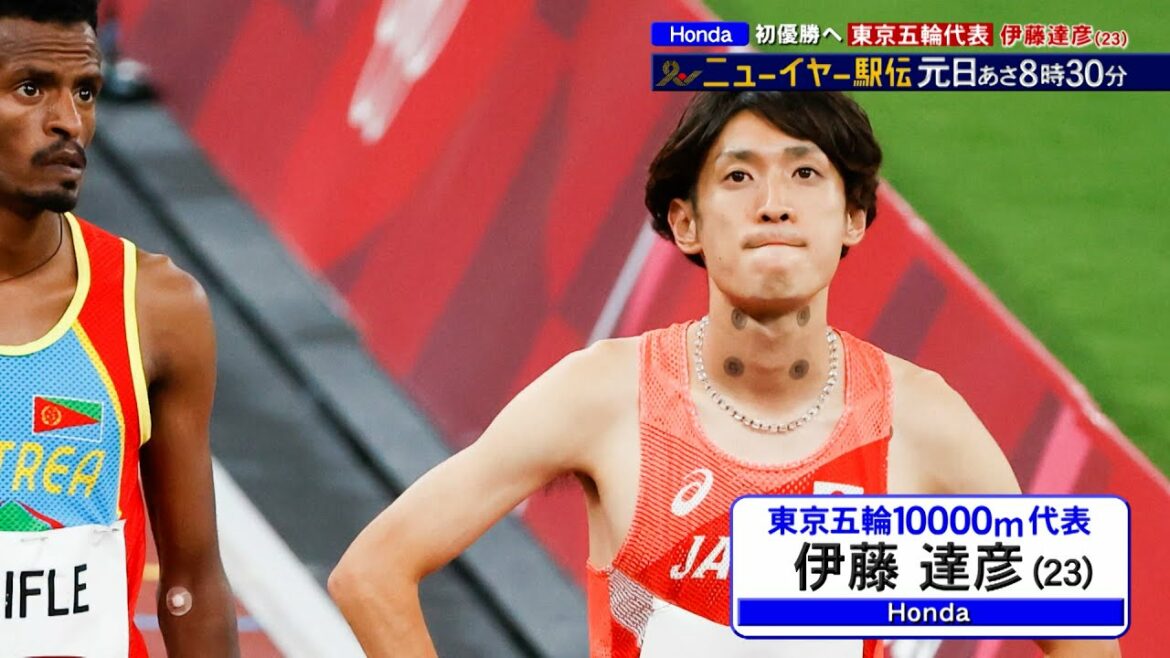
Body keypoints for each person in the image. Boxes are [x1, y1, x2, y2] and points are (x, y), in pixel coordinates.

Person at [328, 91, 1121, 658]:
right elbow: (372, 573)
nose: (773, 204)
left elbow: (1081, 635)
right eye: (739, 177)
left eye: (806, 175)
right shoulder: (603, 397)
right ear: (687, 222)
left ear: (853, 217)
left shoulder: (925, 423)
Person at [0, 1, 238, 656]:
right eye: (31, 88)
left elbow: (193, 581)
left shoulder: (155, 307)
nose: (68, 121)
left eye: (85, 91)